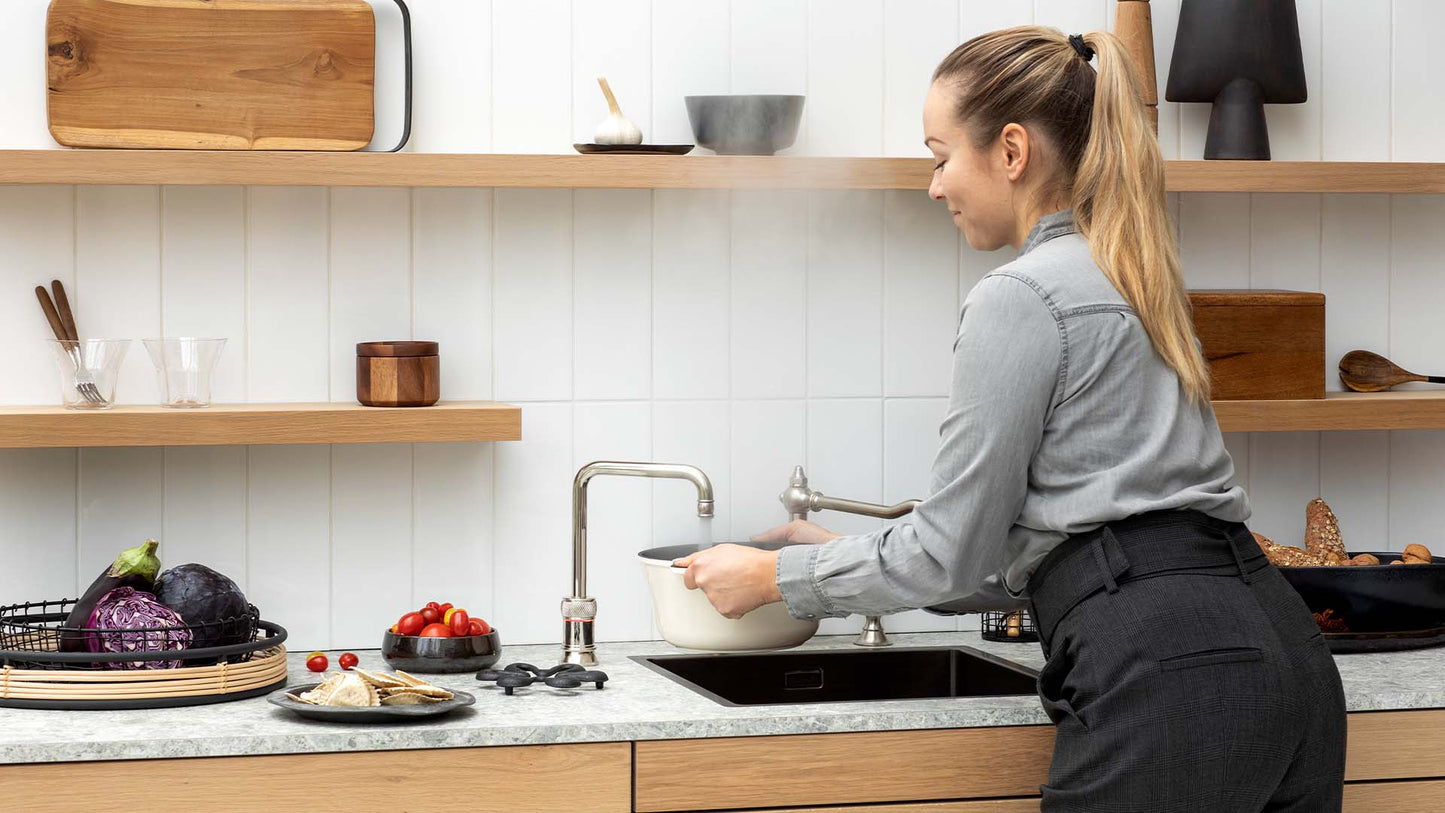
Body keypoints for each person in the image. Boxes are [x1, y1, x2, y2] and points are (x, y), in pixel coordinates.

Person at [673, 26, 1346, 811]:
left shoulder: (1019, 296)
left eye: (939, 155)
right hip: (1286, 652)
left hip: (1165, 668)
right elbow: (1075, 544)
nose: (933, 185)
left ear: (1012, 151)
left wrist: (774, 577)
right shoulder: (1133, 273)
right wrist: (849, 557)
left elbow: (951, 555)